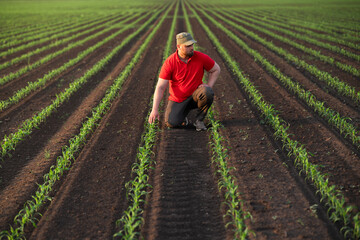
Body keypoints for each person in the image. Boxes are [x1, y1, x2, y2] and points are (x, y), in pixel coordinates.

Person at [148, 32, 220, 131]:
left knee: (207, 92)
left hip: (195, 96)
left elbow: (216, 69)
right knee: (171, 123)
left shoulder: (200, 57)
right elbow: (160, 87)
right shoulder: (170, 62)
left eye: (192, 45)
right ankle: (182, 115)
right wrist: (154, 109)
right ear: (179, 46)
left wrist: (209, 85)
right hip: (178, 99)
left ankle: (199, 120)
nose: (192, 48)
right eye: (188, 46)